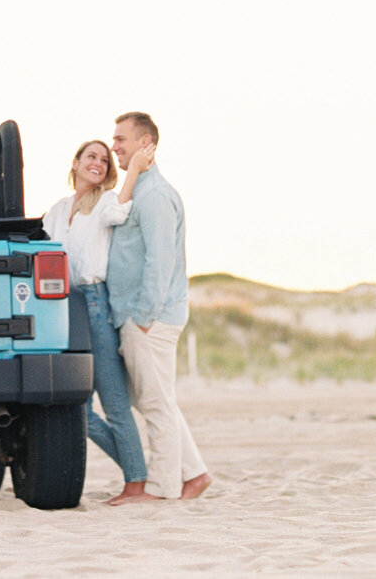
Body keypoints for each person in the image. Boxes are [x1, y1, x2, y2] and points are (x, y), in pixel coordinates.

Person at [105, 111, 212, 503]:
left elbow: (160, 262)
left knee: (154, 403)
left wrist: (145, 316)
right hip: (137, 314)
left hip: (150, 317)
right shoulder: (138, 190)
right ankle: (195, 474)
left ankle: (163, 486)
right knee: (156, 399)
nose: (115, 145)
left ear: (146, 143)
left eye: (122, 139)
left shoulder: (155, 196)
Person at [41, 137, 154, 504]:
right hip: (62, 307)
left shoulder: (105, 201)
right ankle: (146, 473)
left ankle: (137, 482)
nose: (98, 163)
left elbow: (120, 211)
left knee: (115, 403)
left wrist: (132, 169)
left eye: (104, 161)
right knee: (82, 411)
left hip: (94, 304)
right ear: (75, 162)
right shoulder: (57, 210)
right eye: (91, 157)